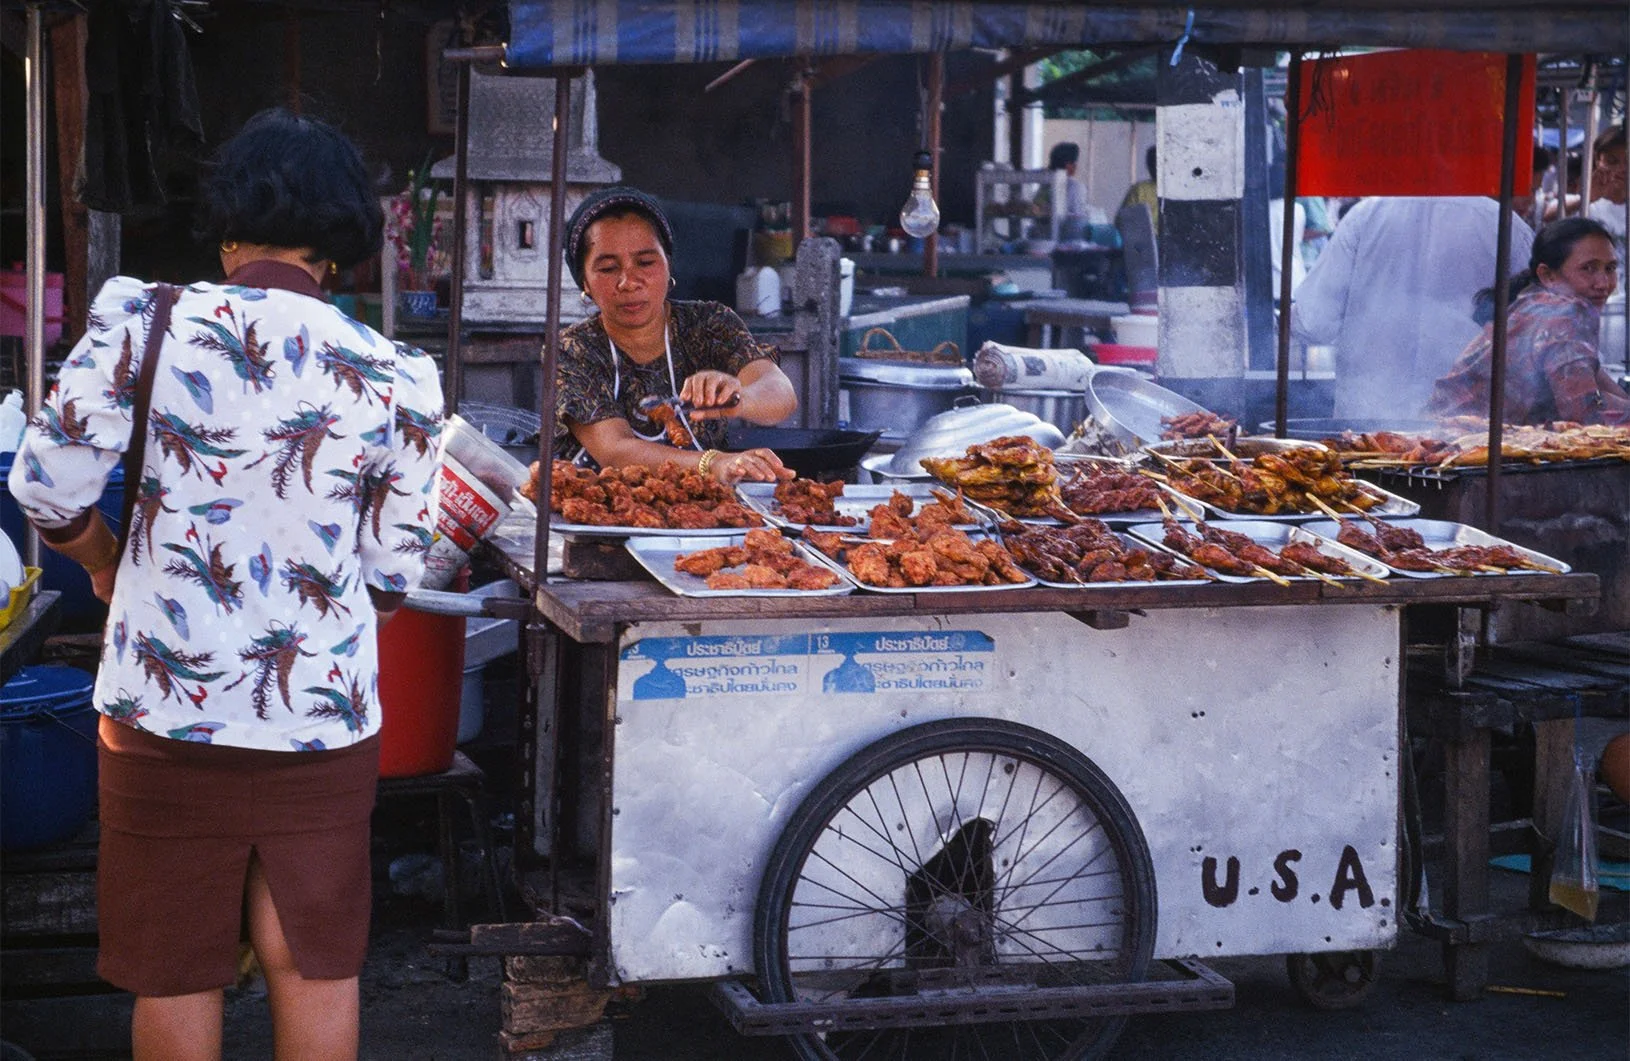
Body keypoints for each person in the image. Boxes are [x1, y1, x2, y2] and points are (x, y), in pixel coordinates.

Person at [6, 108, 444, 1061]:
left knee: (176, 963)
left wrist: (104, 557)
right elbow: (400, 568)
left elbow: (43, 482)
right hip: (319, 718)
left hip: (162, 707)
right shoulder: (396, 375)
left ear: (230, 225)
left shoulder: (147, 321)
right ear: (338, 243)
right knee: (311, 959)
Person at [553, 186, 797, 485]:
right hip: (600, 516)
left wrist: (738, 395)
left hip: (703, 514)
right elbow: (615, 450)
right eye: (607, 268)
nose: (629, 282)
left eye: (645, 263)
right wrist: (714, 463)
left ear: (668, 263)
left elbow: (780, 395)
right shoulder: (574, 348)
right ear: (585, 283)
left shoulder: (709, 324)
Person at [1290, 196, 1534, 419]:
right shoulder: (1503, 222)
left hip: (1368, 416)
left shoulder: (1365, 215)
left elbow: (1313, 323)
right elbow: (1534, 322)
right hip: (1466, 423)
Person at [1429, 217, 1627, 425]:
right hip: (1457, 442)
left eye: (1610, 268)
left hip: (1443, 432)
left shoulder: (1539, 305)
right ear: (1548, 275)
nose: (1603, 283)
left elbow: (1594, 381)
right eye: (1588, 268)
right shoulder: (1563, 314)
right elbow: (1583, 410)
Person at [1118, 144, 1159, 236]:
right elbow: (1122, 222)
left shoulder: (1139, 189)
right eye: (1152, 164)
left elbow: (1121, 222)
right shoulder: (1139, 190)